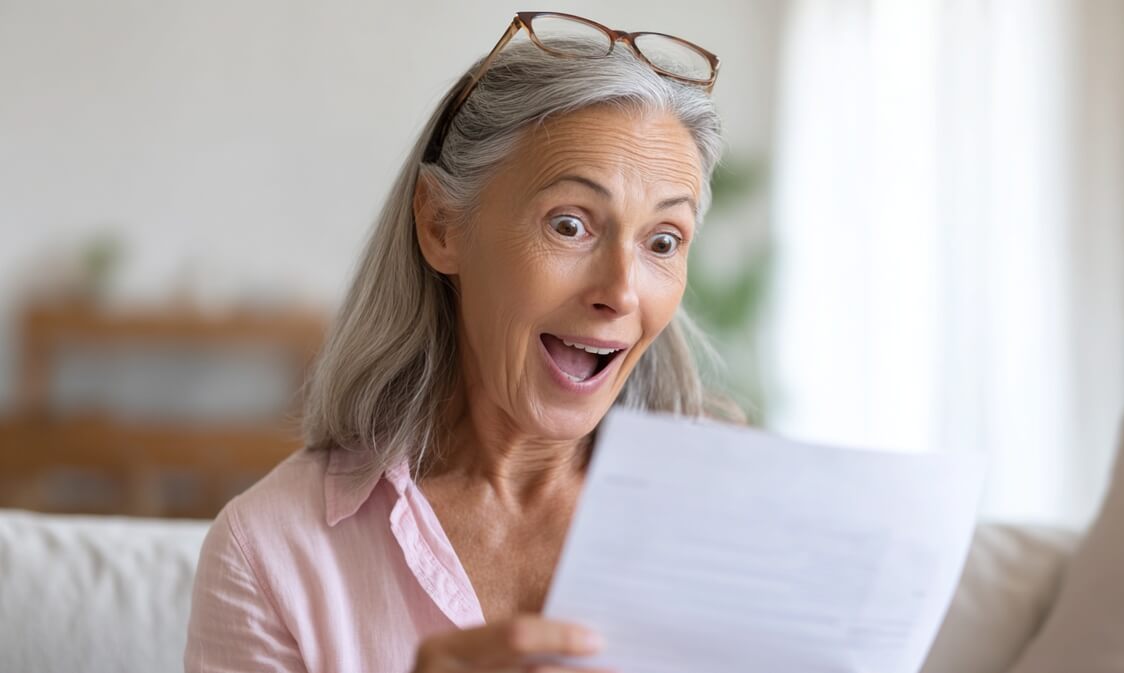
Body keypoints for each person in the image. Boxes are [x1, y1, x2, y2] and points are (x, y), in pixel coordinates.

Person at [185, 11, 735, 673]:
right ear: (441, 225)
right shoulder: (268, 551)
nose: (620, 291)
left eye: (663, 242)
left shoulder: (734, 516)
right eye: (569, 225)